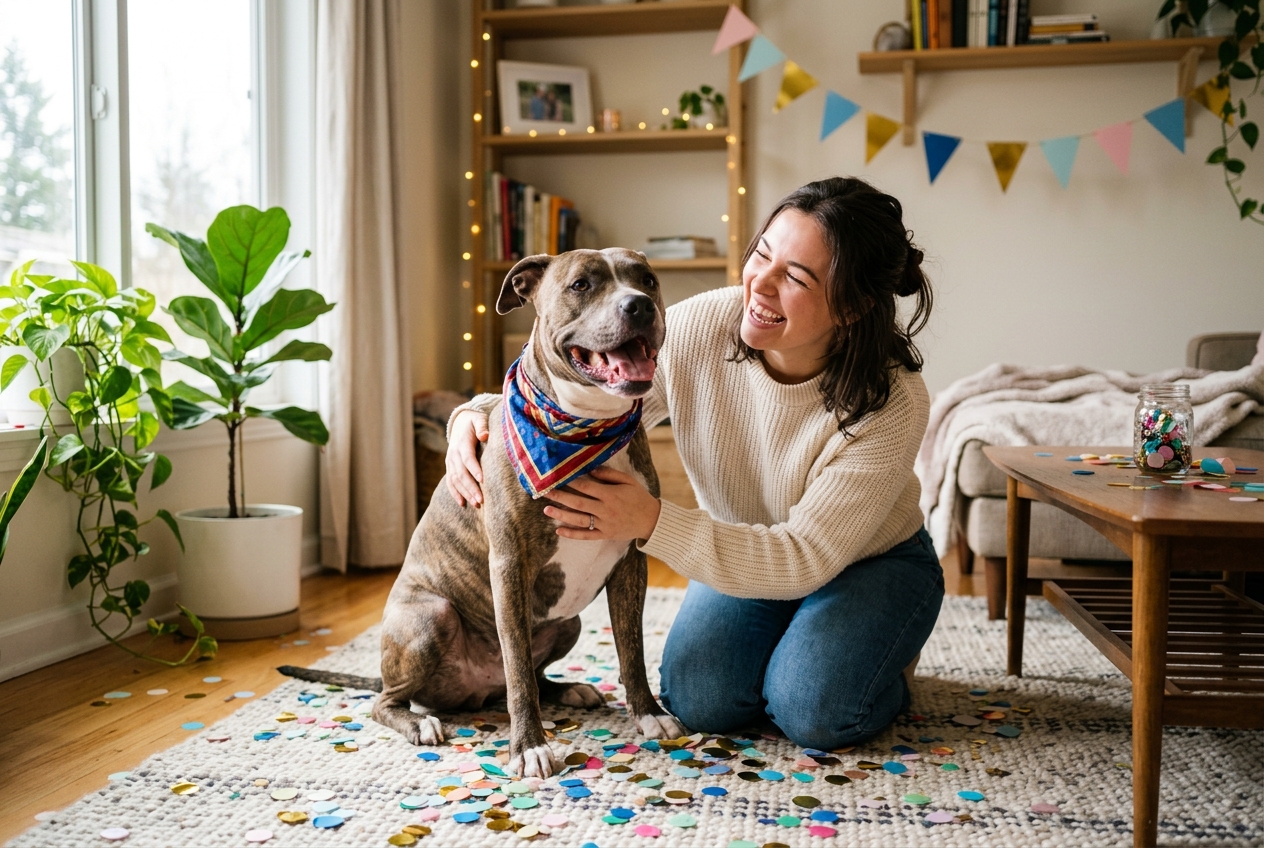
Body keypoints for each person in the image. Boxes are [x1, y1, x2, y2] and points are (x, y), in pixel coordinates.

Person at [446, 177, 942, 749]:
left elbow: (806, 557)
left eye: (797, 277)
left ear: (853, 305)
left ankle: (882, 658)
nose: (761, 284)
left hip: (866, 561)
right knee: (700, 699)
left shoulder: (892, 401)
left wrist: (652, 522)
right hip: (745, 542)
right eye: (761, 255)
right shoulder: (703, 328)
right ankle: (806, 641)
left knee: (816, 710)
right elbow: (582, 396)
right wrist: (475, 414)